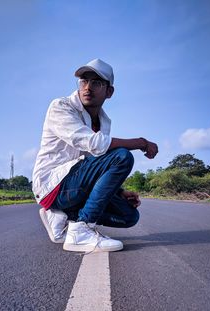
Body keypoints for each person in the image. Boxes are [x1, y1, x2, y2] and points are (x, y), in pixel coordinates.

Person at [32, 58, 158, 253]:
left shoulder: (104, 121)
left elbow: (96, 165)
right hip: (52, 186)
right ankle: (81, 229)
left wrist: (119, 192)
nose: (87, 88)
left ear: (109, 92)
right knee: (122, 156)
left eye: (96, 83)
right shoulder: (61, 106)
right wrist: (141, 143)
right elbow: (93, 144)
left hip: (75, 185)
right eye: (83, 81)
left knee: (129, 216)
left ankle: (62, 217)